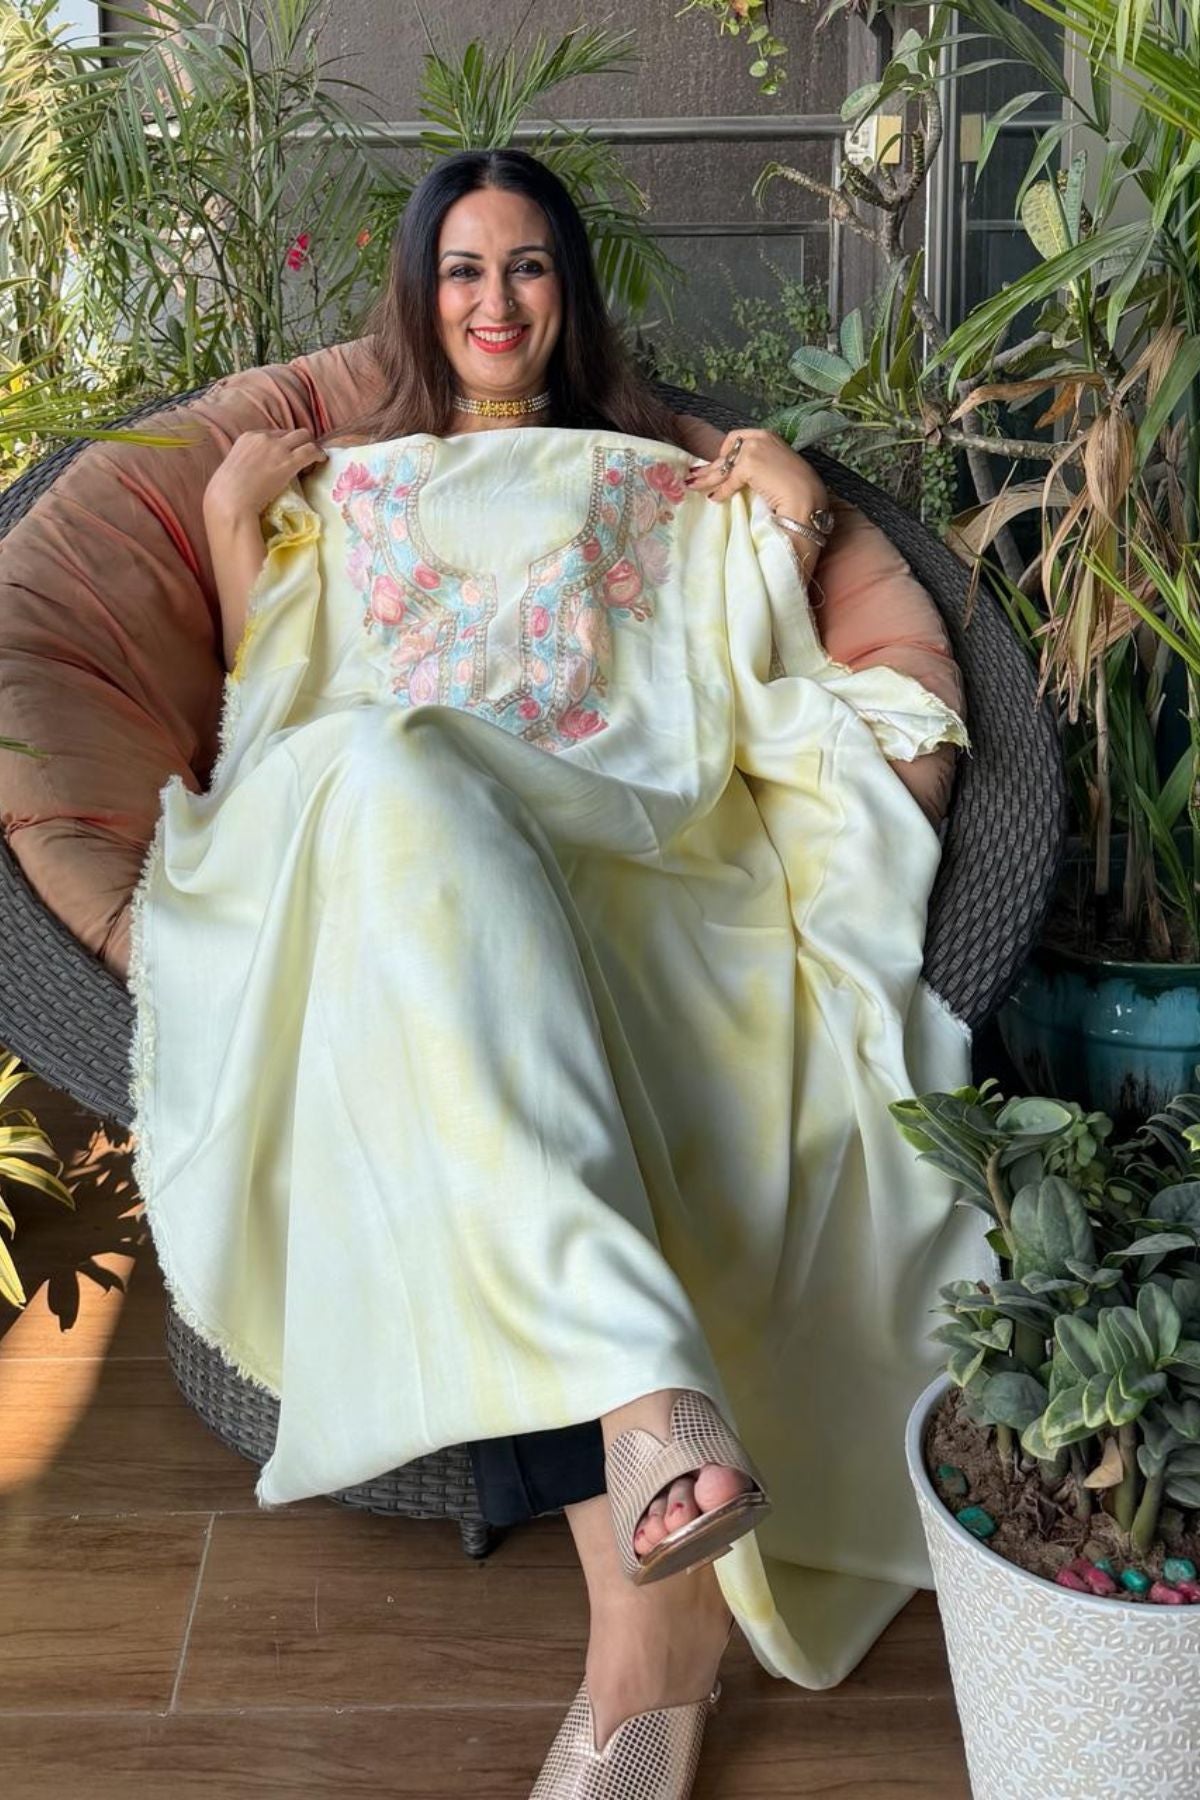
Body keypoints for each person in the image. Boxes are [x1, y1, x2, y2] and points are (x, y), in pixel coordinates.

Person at [144, 148, 981, 1798]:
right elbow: (282, 716)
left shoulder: (650, 479)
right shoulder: (359, 492)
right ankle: (652, 1512)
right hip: (410, 857)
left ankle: (647, 1652)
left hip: (619, 848)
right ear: (420, 294)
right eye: (463, 270)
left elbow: (733, 676)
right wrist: (238, 532)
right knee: (388, 781)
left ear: (567, 292)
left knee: (454, 1006)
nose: (495, 301)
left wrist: (797, 523)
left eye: (526, 266)